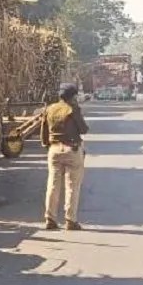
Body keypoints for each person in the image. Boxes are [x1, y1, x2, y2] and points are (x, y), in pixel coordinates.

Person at [41, 83, 90, 231]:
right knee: (72, 186)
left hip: (54, 149)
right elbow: (83, 129)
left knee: (53, 185)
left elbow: (44, 134)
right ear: (73, 97)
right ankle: (70, 220)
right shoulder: (72, 109)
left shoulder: (49, 109)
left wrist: (48, 146)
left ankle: (50, 218)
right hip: (72, 149)